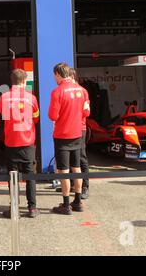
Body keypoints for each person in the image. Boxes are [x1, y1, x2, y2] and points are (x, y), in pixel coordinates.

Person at [49, 63, 90, 215]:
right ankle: (78, 202)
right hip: (77, 133)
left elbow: (52, 115)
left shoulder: (57, 91)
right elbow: (86, 112)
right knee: (76, 167)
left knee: (63, 171)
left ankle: (66, 204)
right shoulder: (82, 90)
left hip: (62, 135)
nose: (54, 78)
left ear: (58, 74)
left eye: (54, 75)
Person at [0, 69, 40, 218]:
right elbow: (36, 118)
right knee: (30, 175)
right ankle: (32, 208)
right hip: (28, 141)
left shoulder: (3, 97)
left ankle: (14, 208)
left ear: (12, 81)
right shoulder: (31, 98)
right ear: (24, 81)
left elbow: (3, 116)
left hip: (11, 141)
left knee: (13, 177)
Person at [69, 68, 91, 199]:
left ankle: (85, 186)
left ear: (73, 77)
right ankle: (71, 183)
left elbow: (87, 112)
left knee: (81, 157)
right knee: (70, 158)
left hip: (79, 128)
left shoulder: (82, 91)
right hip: (68, 129)